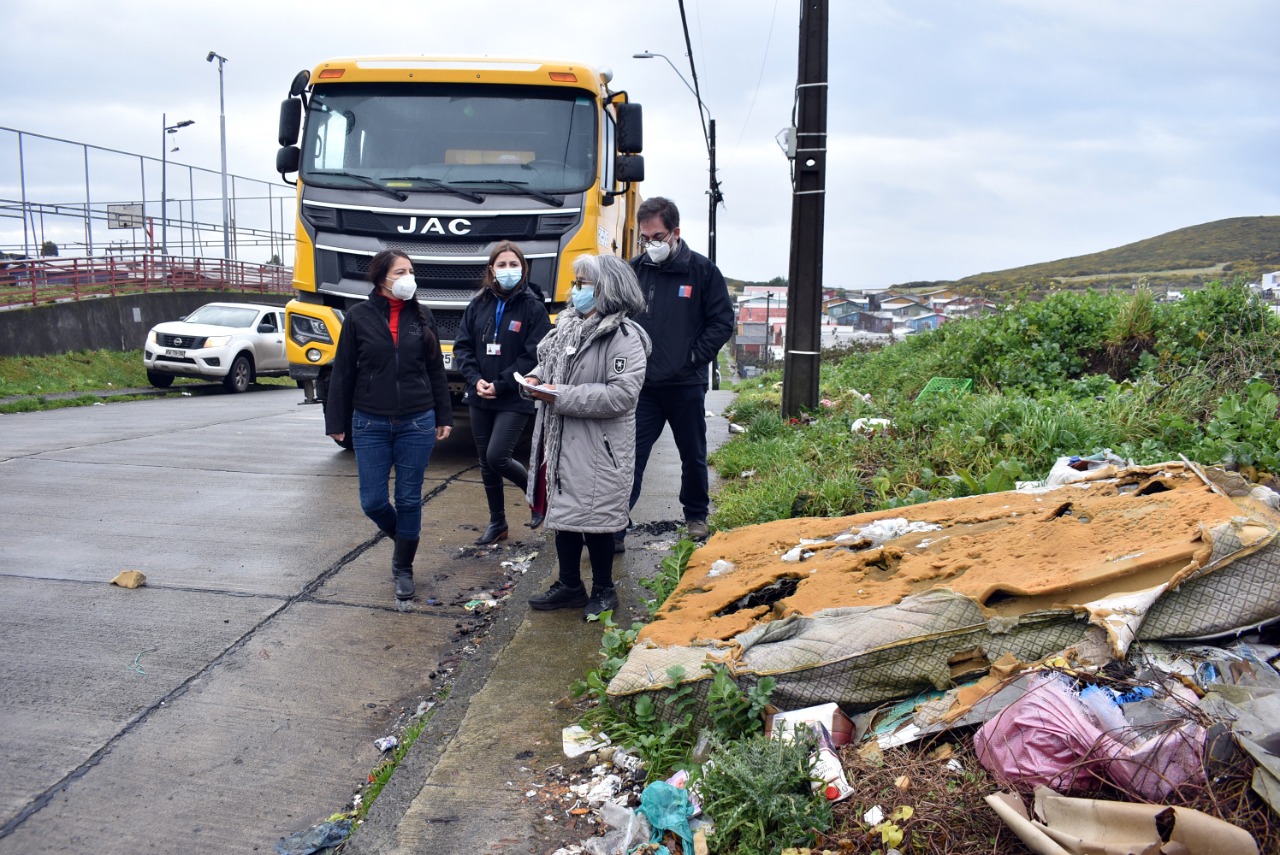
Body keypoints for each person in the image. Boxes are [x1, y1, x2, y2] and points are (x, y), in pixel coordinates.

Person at [522, 254, 651, 619]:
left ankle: (604, 590)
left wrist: (558, 395)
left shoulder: (624, 337)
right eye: (575, 282)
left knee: (596, 522)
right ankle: (569, 585)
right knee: (564, 517)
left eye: (583, 284)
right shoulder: (566, 328)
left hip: (601, 448)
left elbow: (621, 396)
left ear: (606, 289)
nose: (575, 290)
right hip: (562, 440)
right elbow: (548, 365)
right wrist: (533, 380)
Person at [325, 249, 453, 604]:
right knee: (373, 501)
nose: (408, 277)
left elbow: (435, 371)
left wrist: (443, 415)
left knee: (409, 498)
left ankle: (403, 568)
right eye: (401, 271)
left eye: (411, 271)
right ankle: (406, 536)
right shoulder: (358, 317)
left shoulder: (422, 315)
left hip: (417, 419)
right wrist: (335, 421)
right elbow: (344, 372)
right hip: (370, 422)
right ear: (382, 277)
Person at [622, 196, 734, 550]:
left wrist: (694, 356)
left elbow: (721, 321)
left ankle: (696, 516)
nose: (650, 245)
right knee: (631, 454)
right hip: (644, 386)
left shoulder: (702, 271)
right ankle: (616, 520)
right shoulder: (634, 270)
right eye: (645, 238)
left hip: (686, 383)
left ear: (675, 233)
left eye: (657, 237)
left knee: (692, 452)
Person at [452, 241, 552, 545]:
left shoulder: (533, 306)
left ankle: (536, 495)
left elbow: (535, 353)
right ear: (491, 270)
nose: (507, 270)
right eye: (501, 265)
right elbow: (463, 346)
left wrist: (503, 382)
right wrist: (475, 379)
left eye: (513, 264)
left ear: (522, 269)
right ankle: (498, 523)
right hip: (479, 393)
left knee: (498, 456)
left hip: (515, 395)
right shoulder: (478, 303)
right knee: (486, 463)